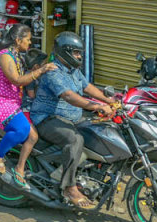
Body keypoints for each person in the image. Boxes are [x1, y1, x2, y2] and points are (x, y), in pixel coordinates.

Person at [29, 31, 117, 209]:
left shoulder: (74, 71)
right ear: (65, 52)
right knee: (75, 139)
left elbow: (87, 87)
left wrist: (109, 101)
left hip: (69, 119)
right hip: (47, 119)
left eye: (80, 53)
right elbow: (68, 96)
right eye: (76, 53)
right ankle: (69, 187)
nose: (79, 56)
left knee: (96, 132)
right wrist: (94, 106)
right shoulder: (53, 71)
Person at [0, 25, 57, 189]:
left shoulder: (17, 56)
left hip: (14, 104)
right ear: (18, 40)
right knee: (21, 130)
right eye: (28, 39)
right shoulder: (5, 57)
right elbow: (17, 80)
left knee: (33, 136)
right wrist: (41, 70)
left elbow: (26, 77)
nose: (30, 42)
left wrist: (38, 70)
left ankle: (19, 169)